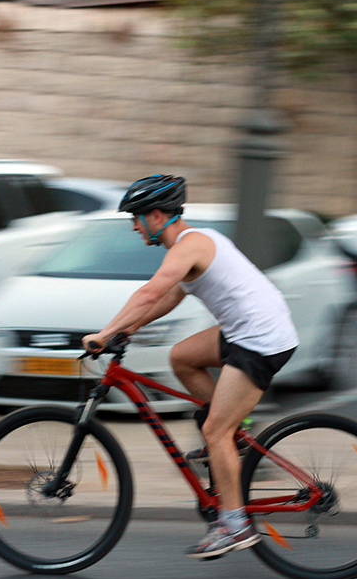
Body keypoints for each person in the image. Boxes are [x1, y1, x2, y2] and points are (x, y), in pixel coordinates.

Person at [82, 174, 299, 559]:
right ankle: (233, 433)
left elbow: (150, 291)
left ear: (157, 215)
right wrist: (129, 328)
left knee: (215, 430)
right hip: (247, 329)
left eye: (136, 217)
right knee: (181, 357)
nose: (134, 226)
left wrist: (105, 332)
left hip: (261, 339)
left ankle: (234, 525)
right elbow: (168, 298)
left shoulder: (189, 246)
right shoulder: (192, 245)